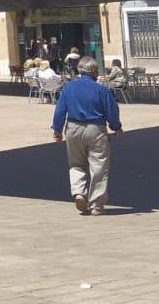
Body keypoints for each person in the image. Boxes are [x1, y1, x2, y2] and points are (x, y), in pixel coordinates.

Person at [52, 56, 123, 215]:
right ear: (93, 71)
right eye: (97, 70)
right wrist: (116, 127)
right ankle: (96, 204)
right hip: (95, 128)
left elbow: (60, 110)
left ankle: (79, 193)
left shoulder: (68, 88)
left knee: (76, 163)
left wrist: (57, 130)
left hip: (73, 128)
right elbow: (111, 110)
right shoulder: (101, 90)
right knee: (99, 166)